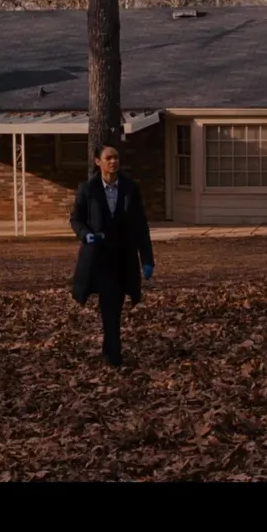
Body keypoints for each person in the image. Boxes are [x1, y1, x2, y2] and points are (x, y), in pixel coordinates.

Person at [70, 144, 154, 367]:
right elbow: (76, 219)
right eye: (108, 158)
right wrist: (85, 234)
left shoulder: (130, 188)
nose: (113, 162)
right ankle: (113, 353)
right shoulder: (88, 189)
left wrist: (147, 259)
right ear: (98, 161)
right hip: (99, 258)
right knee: (109, 301)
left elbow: (140, 225)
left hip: (123, 257)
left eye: (116, 157)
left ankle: (111, 349)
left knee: (115, 304)